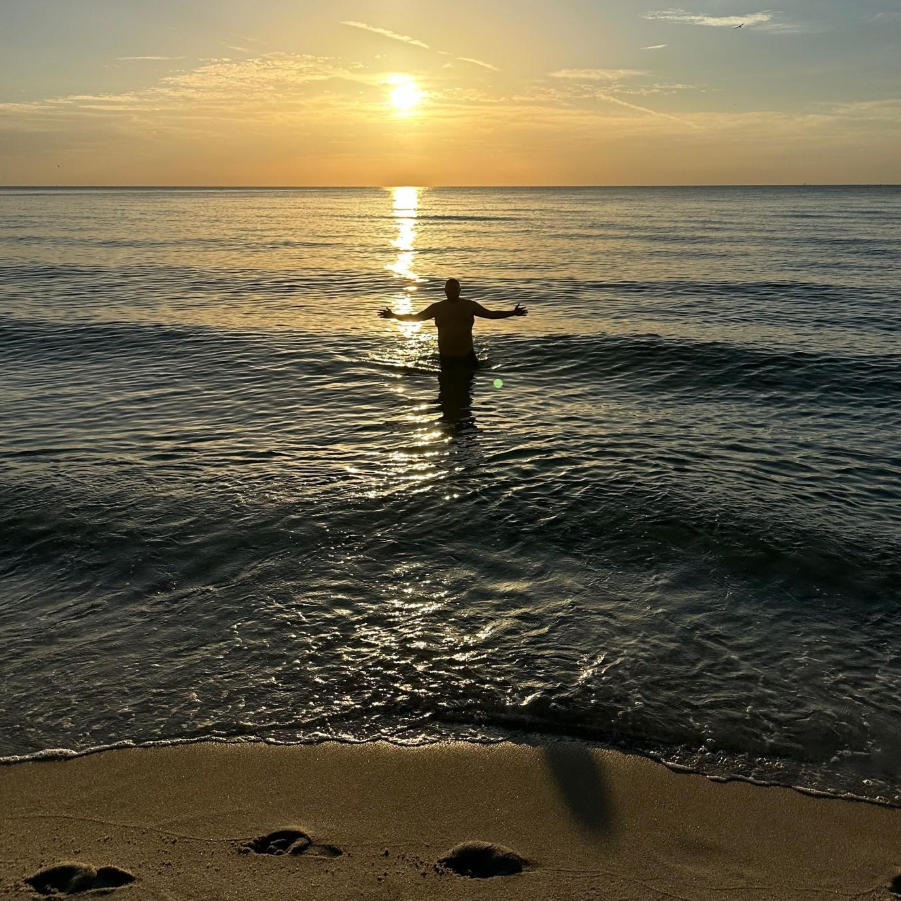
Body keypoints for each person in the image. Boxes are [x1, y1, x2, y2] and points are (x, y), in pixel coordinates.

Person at [379, 278, 527, 368]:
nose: (452, 291)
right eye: (449, 289)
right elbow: (415, 318)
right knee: (446, 398)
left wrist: (512, 312)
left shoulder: (470, 305)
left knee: (466, 399)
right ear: (445, 291)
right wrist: (393, 316)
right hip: (446, 357)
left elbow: (490, 314)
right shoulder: (437, 307)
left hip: (467, 356)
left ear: (460, 290)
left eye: (455, 288)